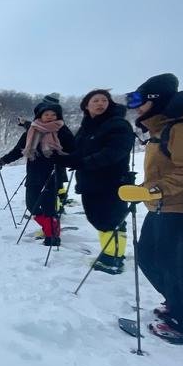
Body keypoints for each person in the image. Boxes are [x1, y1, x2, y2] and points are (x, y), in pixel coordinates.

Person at [120, 73, 183, 345]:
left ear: (157, 100)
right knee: (148, 257)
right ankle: (180, 304)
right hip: (162, 206)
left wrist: (152, 191)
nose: (135, 107)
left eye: (139, 101)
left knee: (176, 267)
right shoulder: (163, 129)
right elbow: (163, 171)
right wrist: (143, 189)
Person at [57, 90, 135, 274]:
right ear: (86, 105)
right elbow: (78, 151)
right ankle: (109, 253)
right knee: (98, 219)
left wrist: (82, 162)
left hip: (112, 181)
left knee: (111, 220)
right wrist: (63, 158)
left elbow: (114, 152)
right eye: (95, 100)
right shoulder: (87, 126)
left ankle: (113, 259)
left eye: (104, 100)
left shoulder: (118, 124)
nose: (100, 103)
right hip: (89, 181)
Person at [0, 95, 75, 246]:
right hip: (34, 174)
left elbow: (73, 149)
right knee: (32, 205)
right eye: (46, 114)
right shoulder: (31, 131)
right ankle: (49, 228)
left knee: (50, 208)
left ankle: (52, 235)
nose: (50, 117)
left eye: (53, 114)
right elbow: (18, 151)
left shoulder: (62, 130)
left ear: (58, 116)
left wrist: (69, 159)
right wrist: (3, 161)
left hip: (52, 174)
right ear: (40, 115)